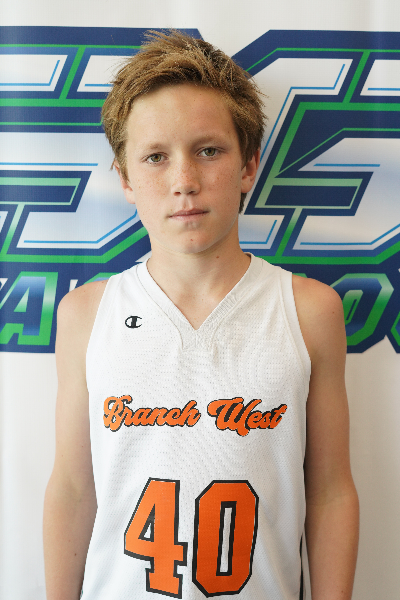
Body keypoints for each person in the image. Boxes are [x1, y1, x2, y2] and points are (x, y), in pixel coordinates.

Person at [43, 30, 359, 600]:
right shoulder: (86, 314)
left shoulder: (309, 310)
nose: (184, 182)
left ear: (248, 165)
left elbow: (331, 491)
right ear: (126, 178)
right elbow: (72, 488)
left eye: (209, 151)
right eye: (155, 157)